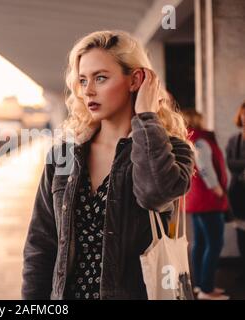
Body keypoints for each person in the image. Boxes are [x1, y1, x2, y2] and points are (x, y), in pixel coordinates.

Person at [21, 30, 195, 300]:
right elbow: (40, 246)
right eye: (82, 80)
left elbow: (156, 194)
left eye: (100, 78)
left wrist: (146, 116)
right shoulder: (64, 156)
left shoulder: (172, 151)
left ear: (136, 80)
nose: (88, 90)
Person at [182, 109, 230, 300]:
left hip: (196, 199)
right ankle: (206, 290)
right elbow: (205, 167)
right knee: (214, 243)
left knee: (200, 243)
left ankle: (202, 285)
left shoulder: (189, 139)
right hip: (208, 200)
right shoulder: (200, 140)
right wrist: (217, 188)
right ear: (196, 119)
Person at [226, 100, 245, 285]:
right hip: (239, 193)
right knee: (241, 232)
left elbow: (236, 164)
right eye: (243, 114)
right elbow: (230, 164)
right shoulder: (234, 140)